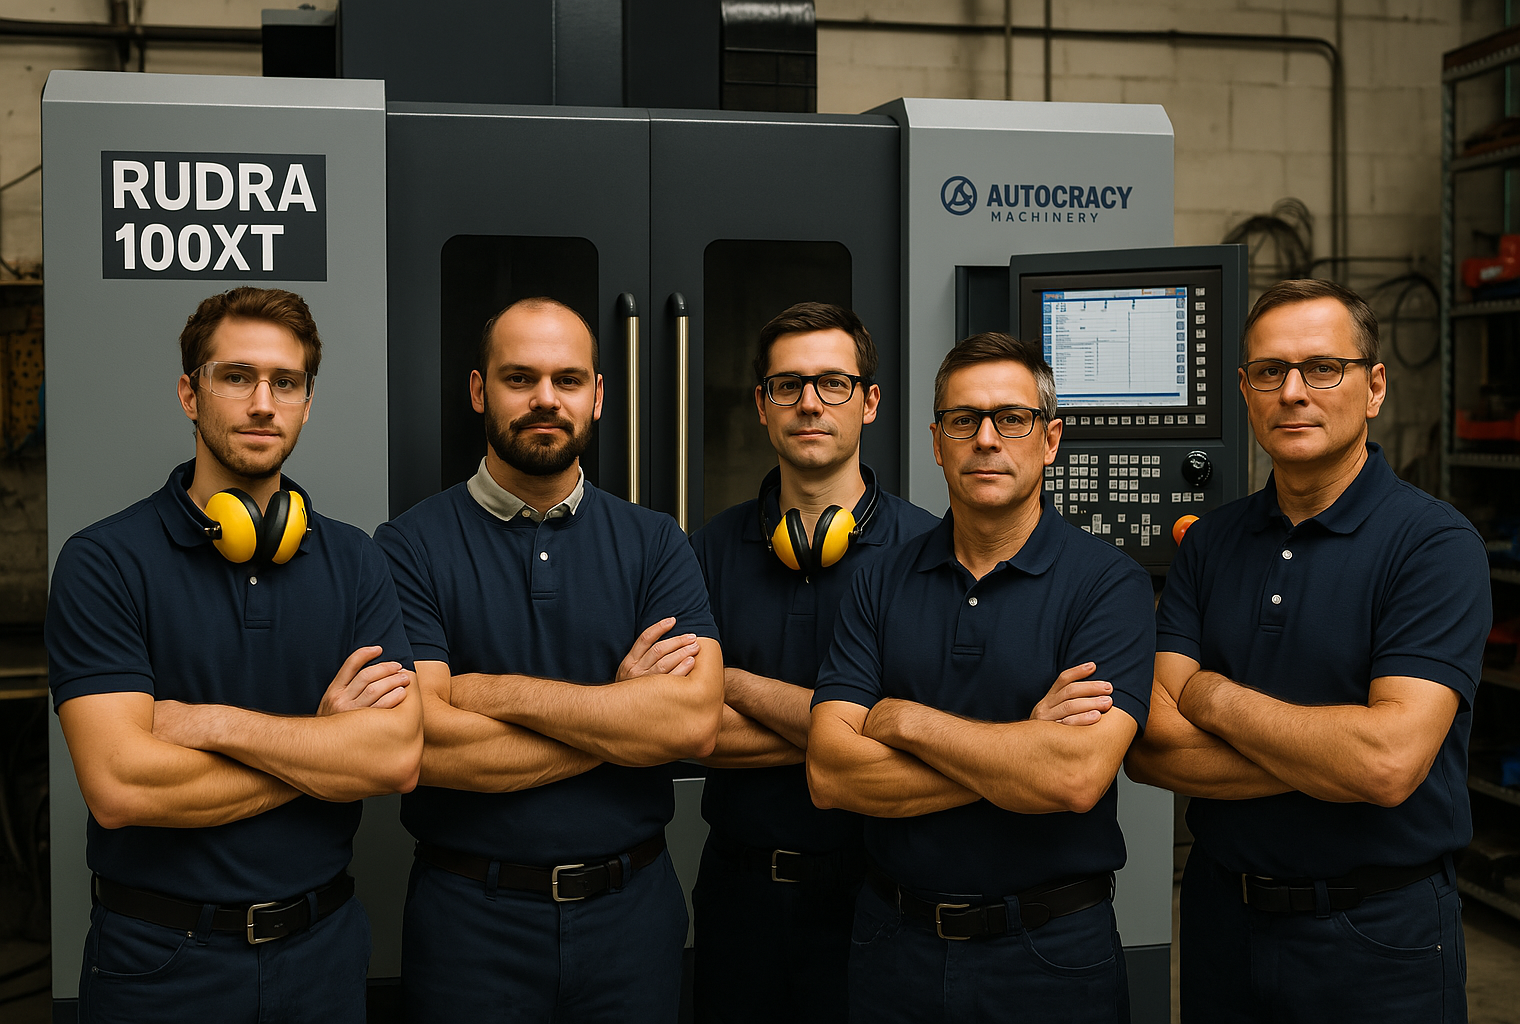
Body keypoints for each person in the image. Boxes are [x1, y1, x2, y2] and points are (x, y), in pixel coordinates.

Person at [46, 287, 423, 1024]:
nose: (263, 403)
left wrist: (212, 723)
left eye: (286, 383)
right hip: (159, 963)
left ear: (307, 402)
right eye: (236, 376)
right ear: (191, 393)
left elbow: (396, 759)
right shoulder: (103, 562)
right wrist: (323, 751)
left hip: (321, 955)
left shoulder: (355, 561)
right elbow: (122, 787)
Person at [1126, 278, 1491, 1024]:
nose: (1293, 391)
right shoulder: (1211, 544)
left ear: (1375, 386)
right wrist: (1330, 758)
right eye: (1270, 371)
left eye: (1322, 368)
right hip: (1223, 919)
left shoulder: (1434, 546)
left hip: (1379, 934)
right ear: (1245, 389)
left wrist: (1211, 696)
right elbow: (1152, 747)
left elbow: (1386, 764)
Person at [374, 296, 724, 1024]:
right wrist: (620, 719)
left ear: (598, 396)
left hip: (632, 920)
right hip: (471, 923)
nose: (545, 400)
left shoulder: (657, 543)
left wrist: (488, 692)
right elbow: (422, 744)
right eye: (519, 378)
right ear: (479, 391)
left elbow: (690, 725)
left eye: (567, 380)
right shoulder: (407, 547)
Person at [806, 331, 1155, 1023]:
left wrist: (905, 721)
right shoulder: (878, 580)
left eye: (1011, 419)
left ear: (1050, 439)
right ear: (937, 442)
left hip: (1049, 954)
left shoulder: (1108, 585)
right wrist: (1021, 748)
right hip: (893, 946)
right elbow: (832, 773)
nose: (986, 439)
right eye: (964, 421)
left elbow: (1072, 778)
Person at [685, 302, 938, 1023]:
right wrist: (851, 731)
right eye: (788, 385)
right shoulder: (705, 551)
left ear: (870, 401)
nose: (810, 403)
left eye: (833, 382)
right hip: (739, 897)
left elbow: (934, 728)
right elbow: (685, 727)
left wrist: (729, 683)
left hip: (882, 891)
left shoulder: (930, 553)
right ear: (763, 407)